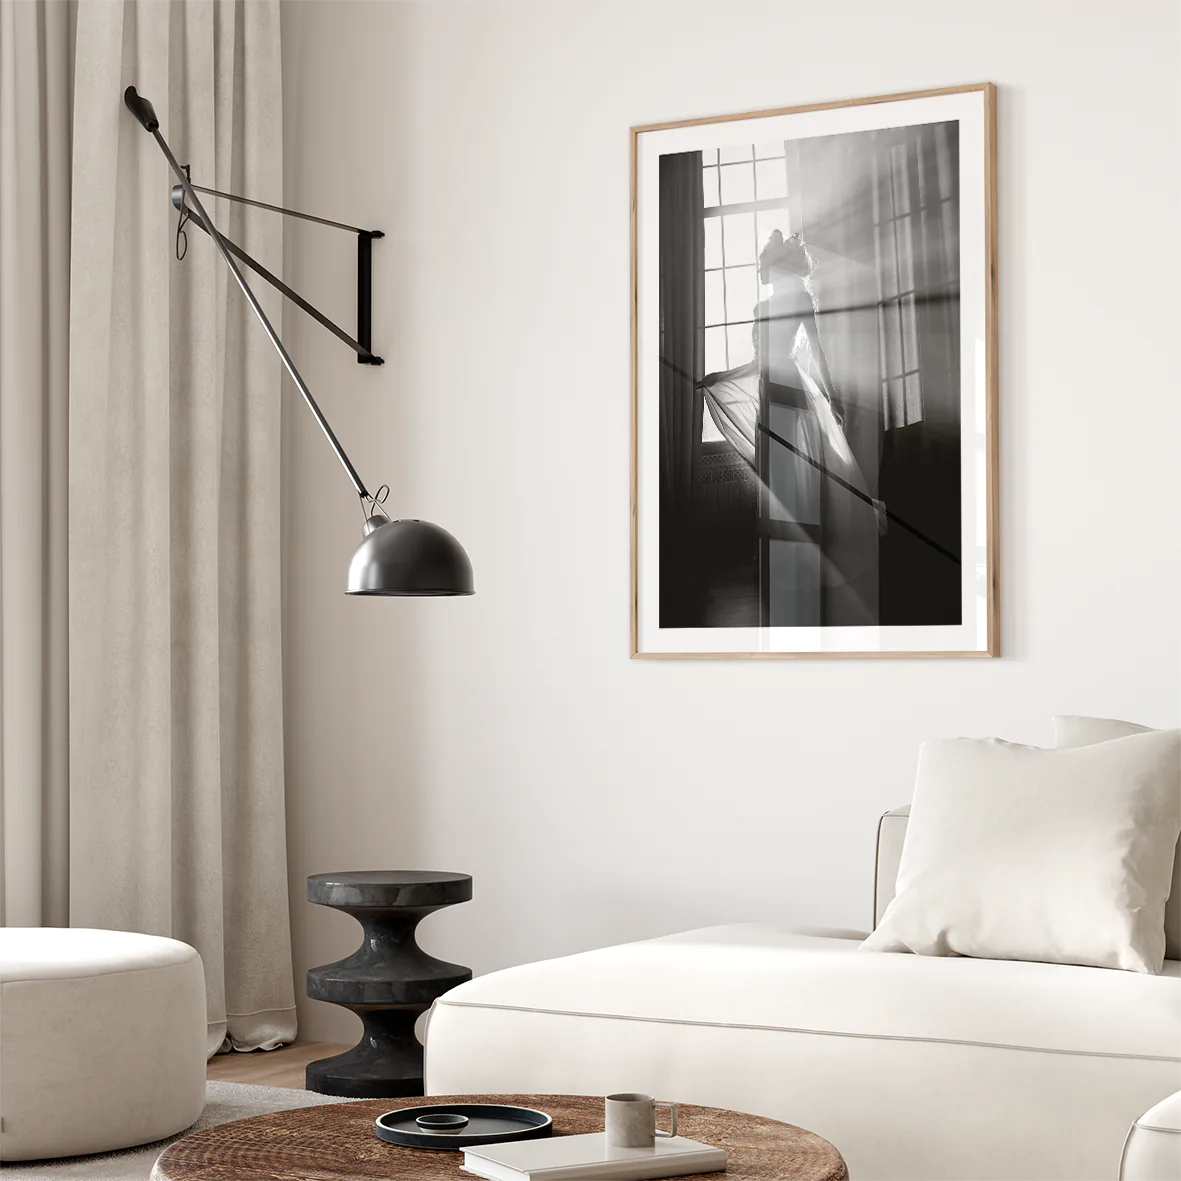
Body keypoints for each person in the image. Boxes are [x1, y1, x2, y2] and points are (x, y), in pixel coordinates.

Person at [699, 230, 883, 625]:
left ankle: (816, 561)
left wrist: (830, 400)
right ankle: (786, 565)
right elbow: (758, 362)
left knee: (807, 484)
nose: (764, 271)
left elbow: (816, 356)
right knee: (783, 485)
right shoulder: (763, 308)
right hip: (773, 398)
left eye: (766, 265)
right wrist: (719, 377)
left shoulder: (798, 300)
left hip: (796, 398)